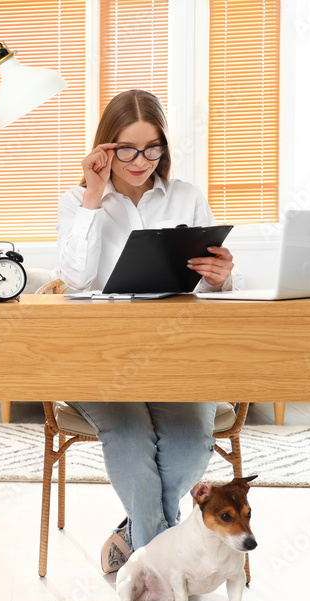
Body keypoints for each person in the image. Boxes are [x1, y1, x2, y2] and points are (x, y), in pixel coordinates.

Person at [55, 89, 235, 573]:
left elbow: (213, 285)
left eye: (152, 148)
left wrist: (221, 278)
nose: (140, 161)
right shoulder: (77, 200)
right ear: (104, 150)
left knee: (187, 441)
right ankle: (162, 566)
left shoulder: (186, 197)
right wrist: (94, 197)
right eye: (127, 150)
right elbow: (73, 279)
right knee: (131, 435)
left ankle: (138, 534)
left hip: (176, 356)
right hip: (98, 358)